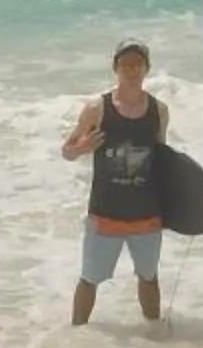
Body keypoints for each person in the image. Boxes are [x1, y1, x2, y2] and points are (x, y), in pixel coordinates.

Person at [61, 41, 170, 328]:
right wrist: (80, 149)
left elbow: (162, 159)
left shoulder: (159, 110)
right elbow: (67, 151)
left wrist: (178, 203)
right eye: (126, 64)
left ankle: (155, 335)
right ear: (115, 68)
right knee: (89, 279)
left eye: (138, 64)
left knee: (149, 277)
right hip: (105, 212)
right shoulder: (97, 109)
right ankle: (76, 337)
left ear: (146, 68)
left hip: (147, 213)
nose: (132, 70)